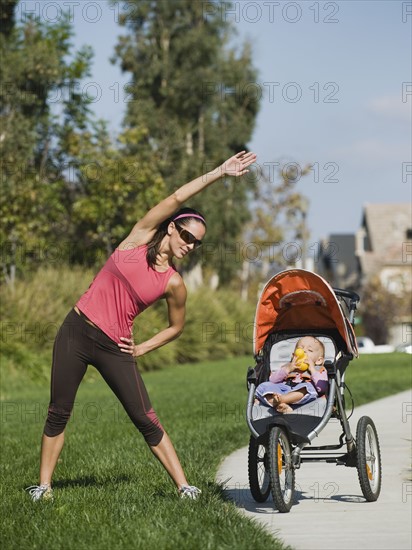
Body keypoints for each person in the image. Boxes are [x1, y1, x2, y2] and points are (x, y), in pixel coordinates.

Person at [25, 150, 257, 502]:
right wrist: (219, 173)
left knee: (144, 417)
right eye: (186, 235)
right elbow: (178, 197)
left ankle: (184, 486)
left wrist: (144, 347)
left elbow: (176, 327)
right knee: (59, 410)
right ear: (171, 227)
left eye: (196, 242)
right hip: (74, 330)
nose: (190, 245)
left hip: (113, 347)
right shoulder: (136, 239)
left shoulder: (173, 283)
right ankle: (44, 487)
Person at [255, 336, 328, 414]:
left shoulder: (318, 370)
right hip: (283, 390)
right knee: (262, 386)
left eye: (309, 350)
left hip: (302, 394)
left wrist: (312, 369)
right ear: (293, 355)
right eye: (300, 348)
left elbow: (322, 388)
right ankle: (282, 405)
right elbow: (272, 380)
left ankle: (280, 401)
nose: (304, 351)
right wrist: (288, 369)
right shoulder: (288, 366)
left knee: (309, 388)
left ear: (319, 360)